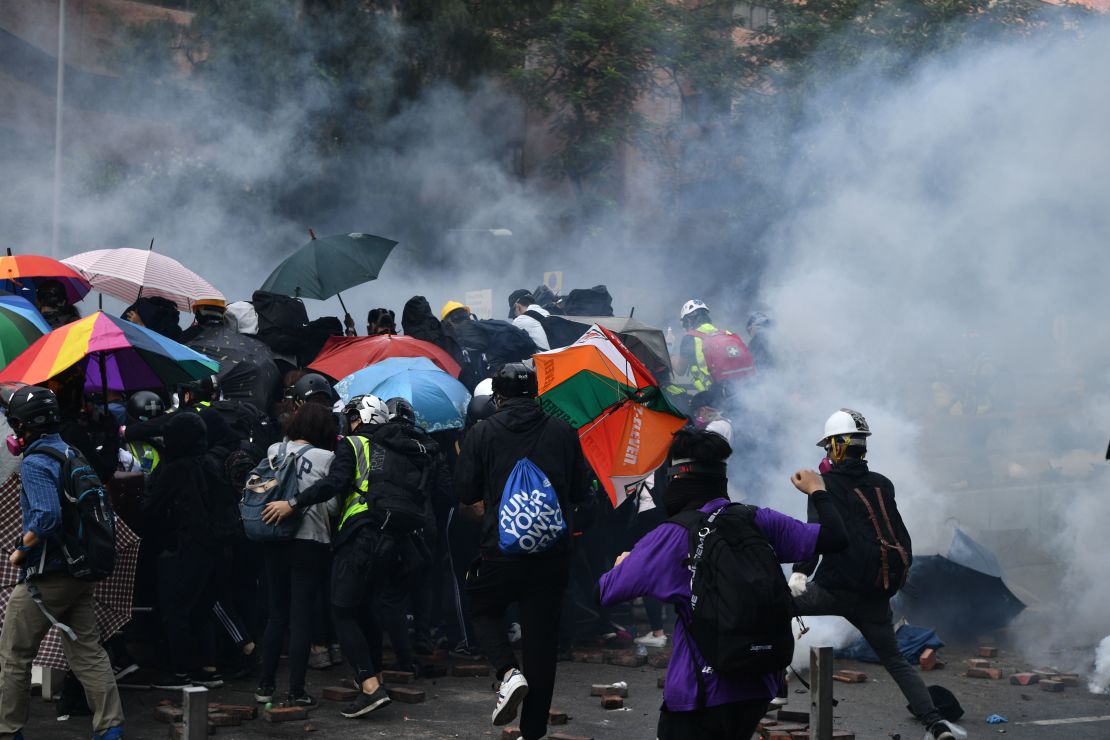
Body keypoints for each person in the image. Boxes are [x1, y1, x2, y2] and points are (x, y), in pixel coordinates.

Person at [597, 429, 848, 740]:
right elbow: (835, 538)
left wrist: (623, 564)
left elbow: (606, 592)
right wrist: (817, 490)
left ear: (675, 477)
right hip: (759, 686)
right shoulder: (757, 519)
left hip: (699, 696)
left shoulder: (670, 536)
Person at [262, 394, 435, 719]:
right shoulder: (401, 448)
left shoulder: (354, 445)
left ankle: (369, 687)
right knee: (366, 609)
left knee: (341, 610)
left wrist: (295, 503)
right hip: (393, 539)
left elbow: (335, 484)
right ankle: (376, 678)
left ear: (357, 416)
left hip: (359, 536)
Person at [790, 409, 958, 740]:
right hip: (875, 595)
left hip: (833, 589)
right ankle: (937, 725)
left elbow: (816, 534)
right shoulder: (883, 484)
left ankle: (773, 694)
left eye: (828, 447)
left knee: (768, 604)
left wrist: (799, 573)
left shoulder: (824, 486)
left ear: (836, 447)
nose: (826, 454)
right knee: (896, 662)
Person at [454, 363, 590, 740]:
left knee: (483, 607)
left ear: (498, 398)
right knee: (542, 642)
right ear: (536, 394)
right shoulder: (563, 431)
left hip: (500, 552)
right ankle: (533, 731)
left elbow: (465, 492)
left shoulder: (482, 432)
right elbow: (581, 491)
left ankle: (507, 672)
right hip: (552, 555)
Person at [0, 385, 124, 740]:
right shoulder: (71, 452)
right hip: (79, 572)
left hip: (47, 576)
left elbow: (46, 517)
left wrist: (19, 551)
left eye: (15, 424)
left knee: (14, 655)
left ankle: (8, 730)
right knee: (87, 651)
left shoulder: (37, 462)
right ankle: (110, 727)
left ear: (26, 425)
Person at [254, 403, 339, 708]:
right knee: (301, 617)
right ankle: (296, 691)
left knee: (276, 615)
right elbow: (330, 507)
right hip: (309, 541)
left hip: (274, 535)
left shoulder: (274, 449)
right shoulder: (327, 458)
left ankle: (264, 686)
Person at [672, 299, 753, 397]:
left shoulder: (690, 338)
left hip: (713, 396)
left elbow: (680, 370)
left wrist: (669, 348)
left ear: (688, 320)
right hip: (741, 392)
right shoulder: (727, 333)